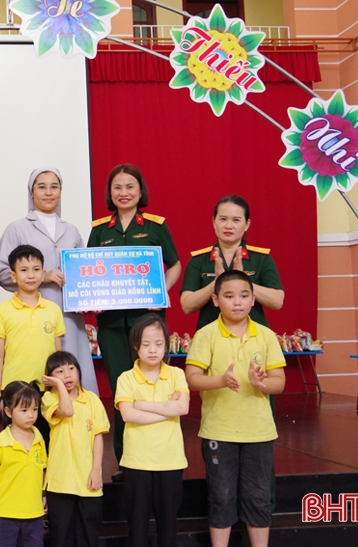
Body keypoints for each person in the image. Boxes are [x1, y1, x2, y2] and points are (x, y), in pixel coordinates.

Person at [86, 164, 181, 478]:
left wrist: (161, 293)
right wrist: (93, 299)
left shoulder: (155, 226)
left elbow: (176, 265)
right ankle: (126, 461)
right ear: (109, 193)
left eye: (130, 186)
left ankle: (156, 455)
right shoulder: (100, 229)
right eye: (117, 187)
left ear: (141, 191)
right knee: (120, 390)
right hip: (111, 325)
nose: (123, 193)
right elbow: (87, 270)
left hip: (147, 322)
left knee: (151, 387)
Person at [185, 270, 286, 547]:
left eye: (243, 296)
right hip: (220, 430)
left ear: (253, 300)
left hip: (259, 432)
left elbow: (280, 382)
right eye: (229, 296)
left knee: (257, 495)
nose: (237, 302)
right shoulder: (206, 335)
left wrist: (262, 383)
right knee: (221, 495)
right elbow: (191, 378)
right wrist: (219, 380)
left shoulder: (265, 335)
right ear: (216, 300)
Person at [0, 168, 99, 394]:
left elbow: (85, 273)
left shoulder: (71, 230)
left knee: (74, 376)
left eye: (54, 186)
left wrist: (92, 297)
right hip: (31, 318)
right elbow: (2, 274)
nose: (48, 192)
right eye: (41, 186)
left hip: (71, 318)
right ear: (31, 192)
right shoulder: (17, 228)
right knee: (37, 380)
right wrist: (43, 276)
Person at [114, 313, 189, 547]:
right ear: (136, 345)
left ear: (166, 345)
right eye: (146, 344)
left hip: (171, 461)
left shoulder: (176, 374)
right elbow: (128, 415)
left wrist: (143, 405)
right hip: (137, 462)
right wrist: (168, 409)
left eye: (159, 344)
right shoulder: (126, 378)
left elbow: (183, 408)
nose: (153, 350)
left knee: (168, 526)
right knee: (137, 526)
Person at [0, 245, 65, 445]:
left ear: (43, 274)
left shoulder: (53, 310)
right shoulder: (2, 310)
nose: (30, 275)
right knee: (17, 446)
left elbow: (59, 355)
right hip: (13, 389)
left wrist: (61, 388)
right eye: (24, 270)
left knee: (47, 443)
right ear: (13, 276)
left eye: (36, 269)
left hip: (47, 390)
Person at [180, 194, 284, 330]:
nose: (229, 226)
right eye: (223, 219)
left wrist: (243, 281)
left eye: (236, 220)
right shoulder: (199, 260)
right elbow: (187, 305)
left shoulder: (261, 258)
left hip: (253, 337)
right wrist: (217, 282)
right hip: (211, 338)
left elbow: (277, 301)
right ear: (214, 222)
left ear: (247, 224)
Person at [41, 351, 109, 547]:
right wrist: (60, 386)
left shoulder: (92, 399)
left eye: (71, 369)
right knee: (61, 536)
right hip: (60, 482)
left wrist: (96, 470)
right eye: (60, 371)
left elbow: (98, 437)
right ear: (50, 376)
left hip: (88, 480)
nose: (67, 374)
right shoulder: (48, 398)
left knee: (89, 535)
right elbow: (67, 411)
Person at [0, 381, 46, 547]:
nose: (31, 415)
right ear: (8, 412)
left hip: (34, 513)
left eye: (34, 409)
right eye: (24, 410)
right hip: (5, 513)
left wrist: (43, 494)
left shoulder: (39, 440)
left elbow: (42, 470)